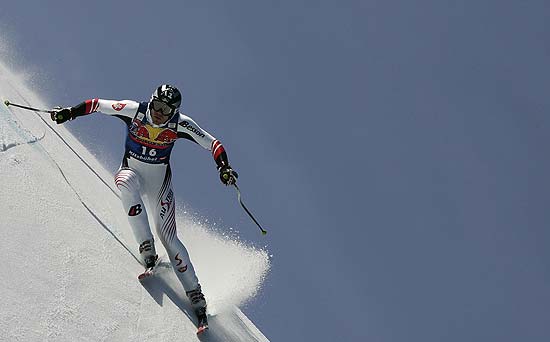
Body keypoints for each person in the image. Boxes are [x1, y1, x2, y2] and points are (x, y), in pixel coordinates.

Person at [50, 84, 238, 332]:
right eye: (157, 106)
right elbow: (97, 104)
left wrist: (223, 167)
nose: (160, 113)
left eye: (167, 110)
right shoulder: (134, 110)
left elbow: (213, 143)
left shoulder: (181, 123)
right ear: (151, 101)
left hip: (159, 184)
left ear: (175, 112)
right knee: (124, 182)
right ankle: (146, 247)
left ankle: (195, 294)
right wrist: (69, 113)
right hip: (133, 172)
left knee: (169, 239)